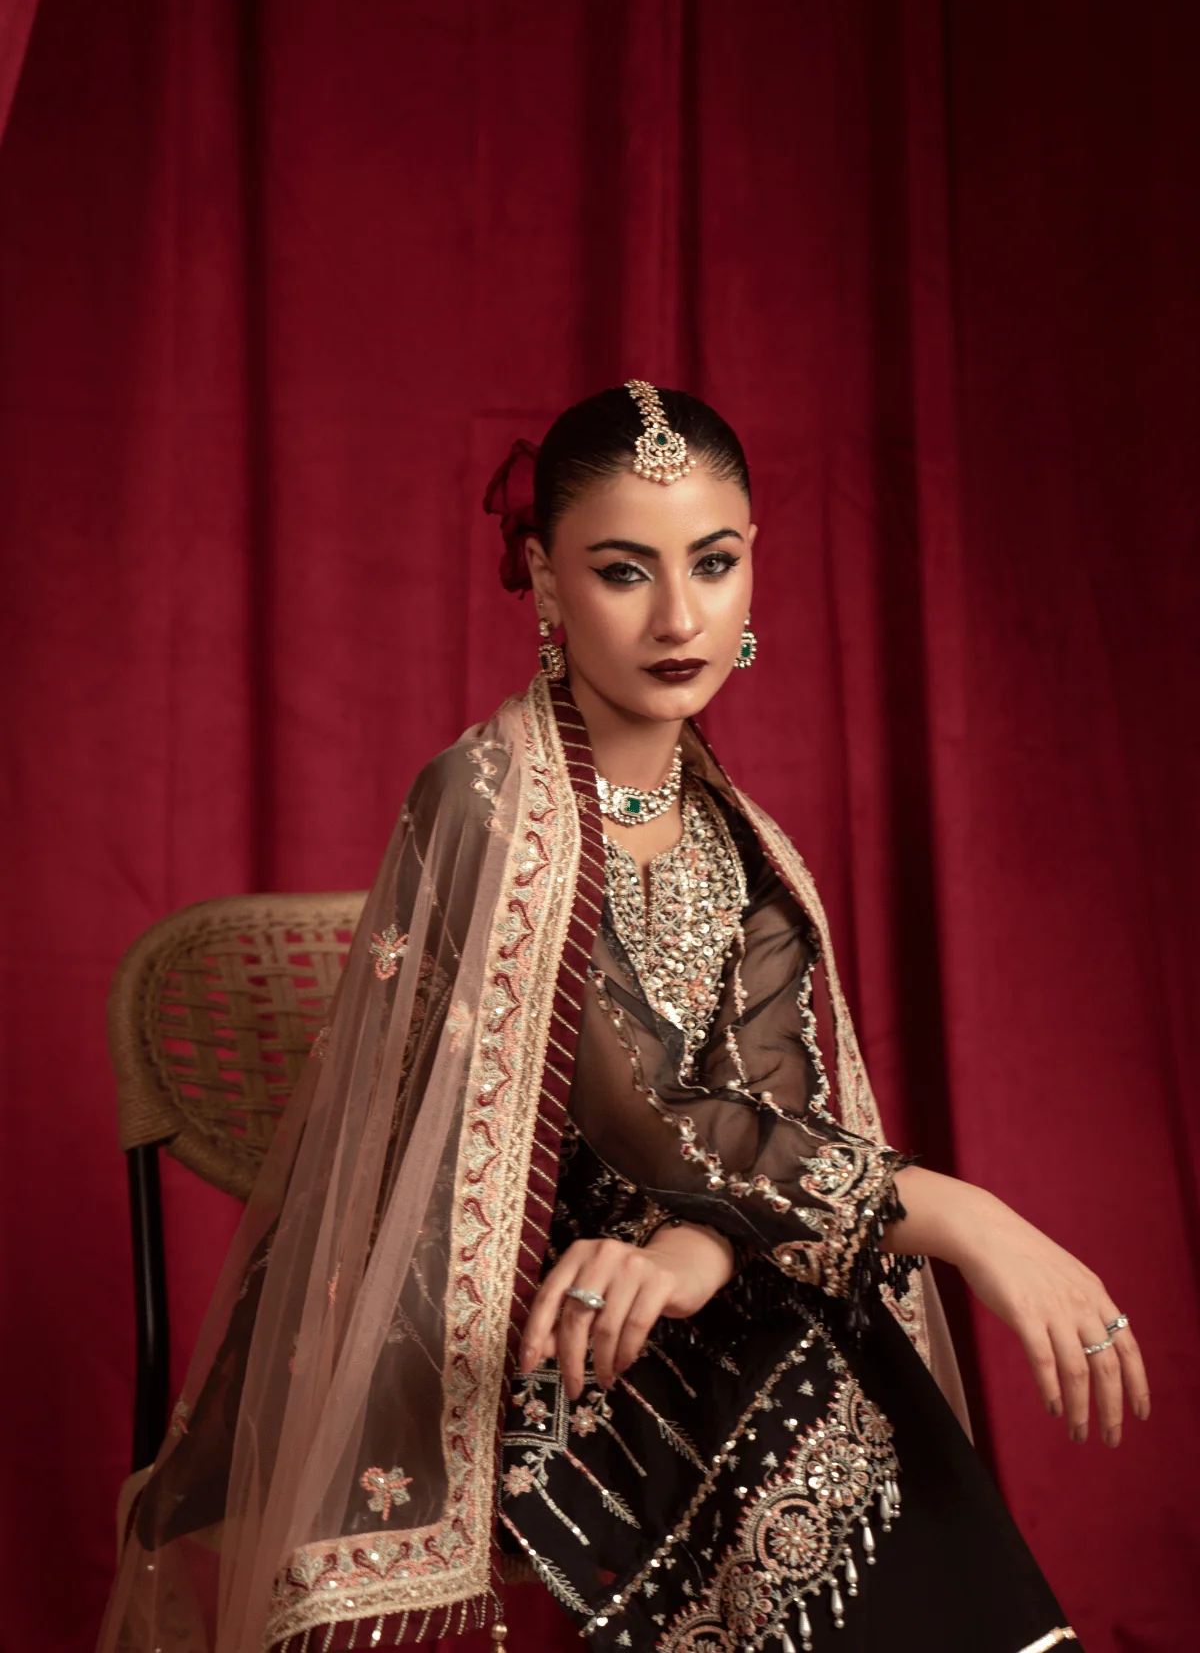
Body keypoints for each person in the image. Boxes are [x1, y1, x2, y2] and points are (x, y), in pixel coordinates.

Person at [101, 384, 1148, 1653]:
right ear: (546, 579)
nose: (679, 618)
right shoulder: (486, 802)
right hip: (497, 1309)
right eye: (622, 571)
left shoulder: (738, 840)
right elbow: (646, 1115)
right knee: (786, 1365)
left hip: (669, 1282)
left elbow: (767, 1109)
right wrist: (968, 1217)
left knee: (814, 1327)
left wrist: (696, 1252)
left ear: (754, 563)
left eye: (713, 562)